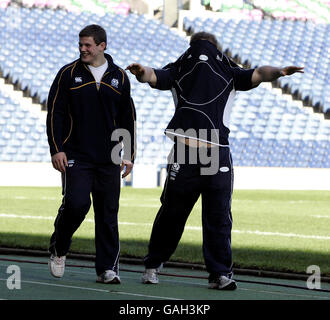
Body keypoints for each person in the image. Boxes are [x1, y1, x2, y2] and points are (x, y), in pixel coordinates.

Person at [126, 31, 303, 290]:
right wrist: (140, 71)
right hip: (185, 150)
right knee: (172, 213)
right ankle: (153, 264)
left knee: (218, 216)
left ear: (216, 49)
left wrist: (280, 71)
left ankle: (220, 273)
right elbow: (152, 76)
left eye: (205, 47)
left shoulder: (230, 72)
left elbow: (260, 73)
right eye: (196, 48)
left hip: (215, 150)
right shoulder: (179, 69)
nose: (201, 55)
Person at [46, 24, 136, 283]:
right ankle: (59, 247)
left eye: (87, 45)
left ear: (102, 46)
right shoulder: (67, 73)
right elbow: (55, 114)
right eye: (81, 44)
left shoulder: (120, 76)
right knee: (76, 204)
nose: (82, 49)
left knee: (108, 213)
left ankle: (107, 269)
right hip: (76, 154)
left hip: (109, 157)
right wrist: (57, 149)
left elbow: (127, 118)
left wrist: (128, 153)